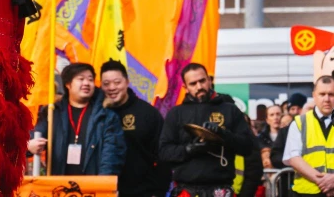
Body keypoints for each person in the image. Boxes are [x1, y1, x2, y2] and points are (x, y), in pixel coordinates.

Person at [159, 63, 256, 197]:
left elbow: (248, 147)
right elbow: (164, 152)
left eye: (202, 81)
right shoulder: (176, 114)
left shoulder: (229, 109)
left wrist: (223, 134)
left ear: (209, 80)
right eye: (193, 83)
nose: (199, 87)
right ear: (185, 87)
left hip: (221, 188)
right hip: (187, 189)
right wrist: (190, 149)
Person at [28, 62, 126, 176]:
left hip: (93, 188)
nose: (86, 83)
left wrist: (101, 186)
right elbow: (33, 138)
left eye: (90, 79)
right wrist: (30, 146)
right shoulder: (52, 112)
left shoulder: (107, 117)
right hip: (58, 187)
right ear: (68, 84)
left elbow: (112, 157)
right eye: (81, 79)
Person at [100, 60, 170, 197]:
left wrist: (159, 191)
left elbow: (164, 155)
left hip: (142, 192)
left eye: (117, 82)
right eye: (106, 84)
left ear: (127, 82)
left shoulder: (147, 113)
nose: (112, 87)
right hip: (103, 191)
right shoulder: (97, 115)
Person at [282, 75, 334, 196]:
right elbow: (294, 158)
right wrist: (325, 183)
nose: (327, 99)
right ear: (314, 95)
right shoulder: (300, 123)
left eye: (331, 94)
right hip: (306, 192)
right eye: (322, 94)